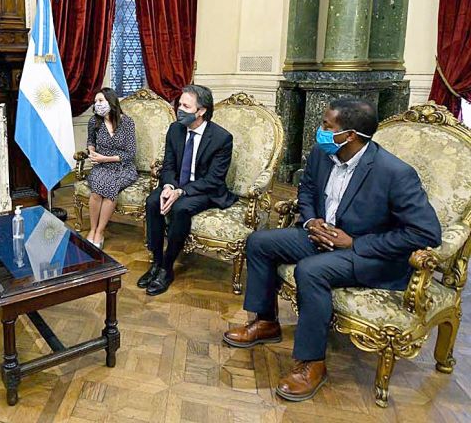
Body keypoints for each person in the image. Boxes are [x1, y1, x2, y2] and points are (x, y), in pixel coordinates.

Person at [223, 99, 441, 402]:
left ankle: (312, 363)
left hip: (367, 254)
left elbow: (426, 232)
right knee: (259, 242)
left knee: (311, 271)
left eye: (327, 125)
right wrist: (311, 221)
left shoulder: (394, 173)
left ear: (349, 135)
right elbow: (308, 190)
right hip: (321, 235)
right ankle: (266, 322)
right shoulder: (321, 153)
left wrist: (354, 243)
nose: (320, 130)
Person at [138, 84, 237, 296]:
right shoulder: (175, 129)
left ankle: (166, 268)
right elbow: (168, 165)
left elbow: (213, 179)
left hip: (204, 190)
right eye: (179, 104)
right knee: (153, 201)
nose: (179, 109)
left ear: (201, 111)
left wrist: (180, 192)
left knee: (180, 208)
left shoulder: (221, 138)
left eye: (186, 106)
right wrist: (168, 186)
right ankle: (156, 262)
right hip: (176, 184)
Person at [85, 88, 137, 248]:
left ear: (111, 102)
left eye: (100, 101)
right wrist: (91, 151)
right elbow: (90, 141)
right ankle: (92, 229)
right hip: (101, 166)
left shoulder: (127, 122)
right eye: (95, 102)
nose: (97, 104)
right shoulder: (94, 121)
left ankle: (100, 231)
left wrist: (105, 158)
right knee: (96, 191)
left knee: (110, 188)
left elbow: (130, 153)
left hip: (123, 166)